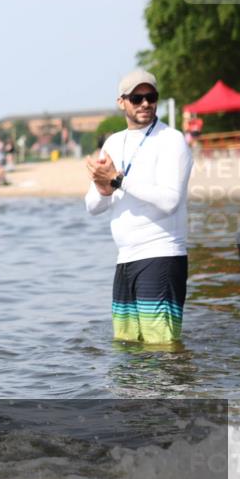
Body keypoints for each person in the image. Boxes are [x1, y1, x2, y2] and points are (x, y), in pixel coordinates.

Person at [85, 69, 193, 344]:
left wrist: (119, 180)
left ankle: (173, 387)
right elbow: (93, 206)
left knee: (160, 349)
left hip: (162, 253)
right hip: (125, 259)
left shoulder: (172, 140)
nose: (145, 103)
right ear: (122, 102)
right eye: (137, 97)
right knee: (127, 347)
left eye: (151, 97)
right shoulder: (112, 142)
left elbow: (170, 200)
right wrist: (103, 188)